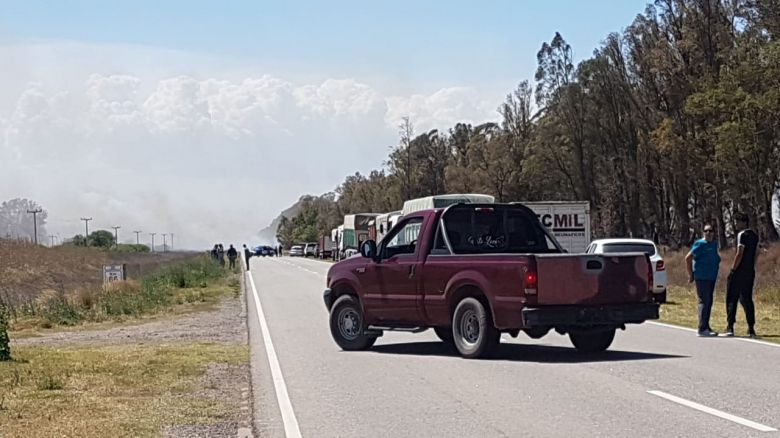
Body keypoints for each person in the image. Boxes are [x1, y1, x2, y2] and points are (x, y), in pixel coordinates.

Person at [725, 213, 759, 337]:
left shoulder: (742, 235)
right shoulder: (755, 236)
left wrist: (733, 269)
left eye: (738, 222)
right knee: (747, 298)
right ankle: (751, 327)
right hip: (750, 271)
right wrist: (751, 266)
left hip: (739, 271)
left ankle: (730, 326)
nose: (736, 224)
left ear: (743, 222)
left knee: (731, 297)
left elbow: (739, 253)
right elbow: (757, 253)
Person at [685, 224, 720, 337]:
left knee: (709, 301)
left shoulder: (714, 244)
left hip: (711, 277)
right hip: (701, 277)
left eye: (711, 231)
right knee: (704, 301)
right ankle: (702, 328)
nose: (709, 233)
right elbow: (688, 258)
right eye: (706, 231)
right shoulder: (700, 244)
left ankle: (706, 325)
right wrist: (691, 274)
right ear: (703, 232)